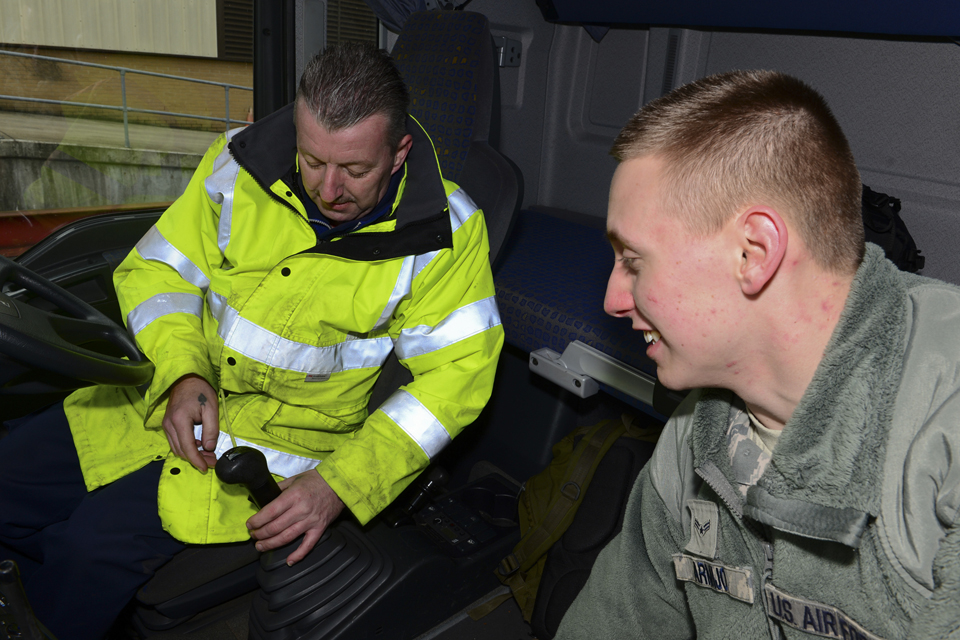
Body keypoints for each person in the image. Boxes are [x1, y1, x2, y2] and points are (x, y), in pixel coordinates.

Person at [0, 43, 503, 639]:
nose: (328, 189)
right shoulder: (238, 166)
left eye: (355, 170)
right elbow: (157, 272)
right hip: (164, 396)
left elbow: (456, 381)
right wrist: (184, 372)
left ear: (399, 153)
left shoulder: (448, 234)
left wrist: (341, 483)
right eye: (312, 160)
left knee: (85, 553)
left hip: (284, 450)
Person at [556, 70, 960, 639]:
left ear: (754, 252)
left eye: (634, 260)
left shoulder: (944, 422)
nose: (613, 300)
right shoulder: (695, 436)